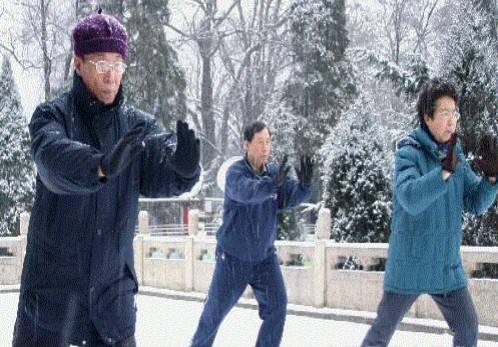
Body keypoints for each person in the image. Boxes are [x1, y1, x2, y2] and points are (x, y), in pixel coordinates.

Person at [13, 10, 200, 347]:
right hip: (52, 312)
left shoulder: (135, 127)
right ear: (78, 63)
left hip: (111, 312)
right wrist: (98, 166)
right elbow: (52, 161)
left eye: (118, 65)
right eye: (101, 65)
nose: (112, 76)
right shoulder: (50, 117)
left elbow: (161, 161)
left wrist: (183, 168)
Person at [361, 78, 498, 347]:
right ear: (427, 116)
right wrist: (443, 173)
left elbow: (475, 202)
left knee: (468, 330)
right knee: (379, 337)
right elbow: (410, 198)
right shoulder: (408, 153)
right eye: (445, 113)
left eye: (454, 113)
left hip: (446, 268)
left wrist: (492, 178)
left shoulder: (454, 154)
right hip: (409, 267)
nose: (451, 121)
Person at [190, 121, 313, 347]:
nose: (265, 147)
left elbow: (286, 198)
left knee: (278, 307)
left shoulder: (274, 173)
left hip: (264, 259)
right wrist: (269, 187)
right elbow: (247, 192)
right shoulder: (235, 173)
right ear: (246, 144)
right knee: (213, 316)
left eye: (268, 142)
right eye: (260, 142)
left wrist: (303, 187)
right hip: (233, 260)